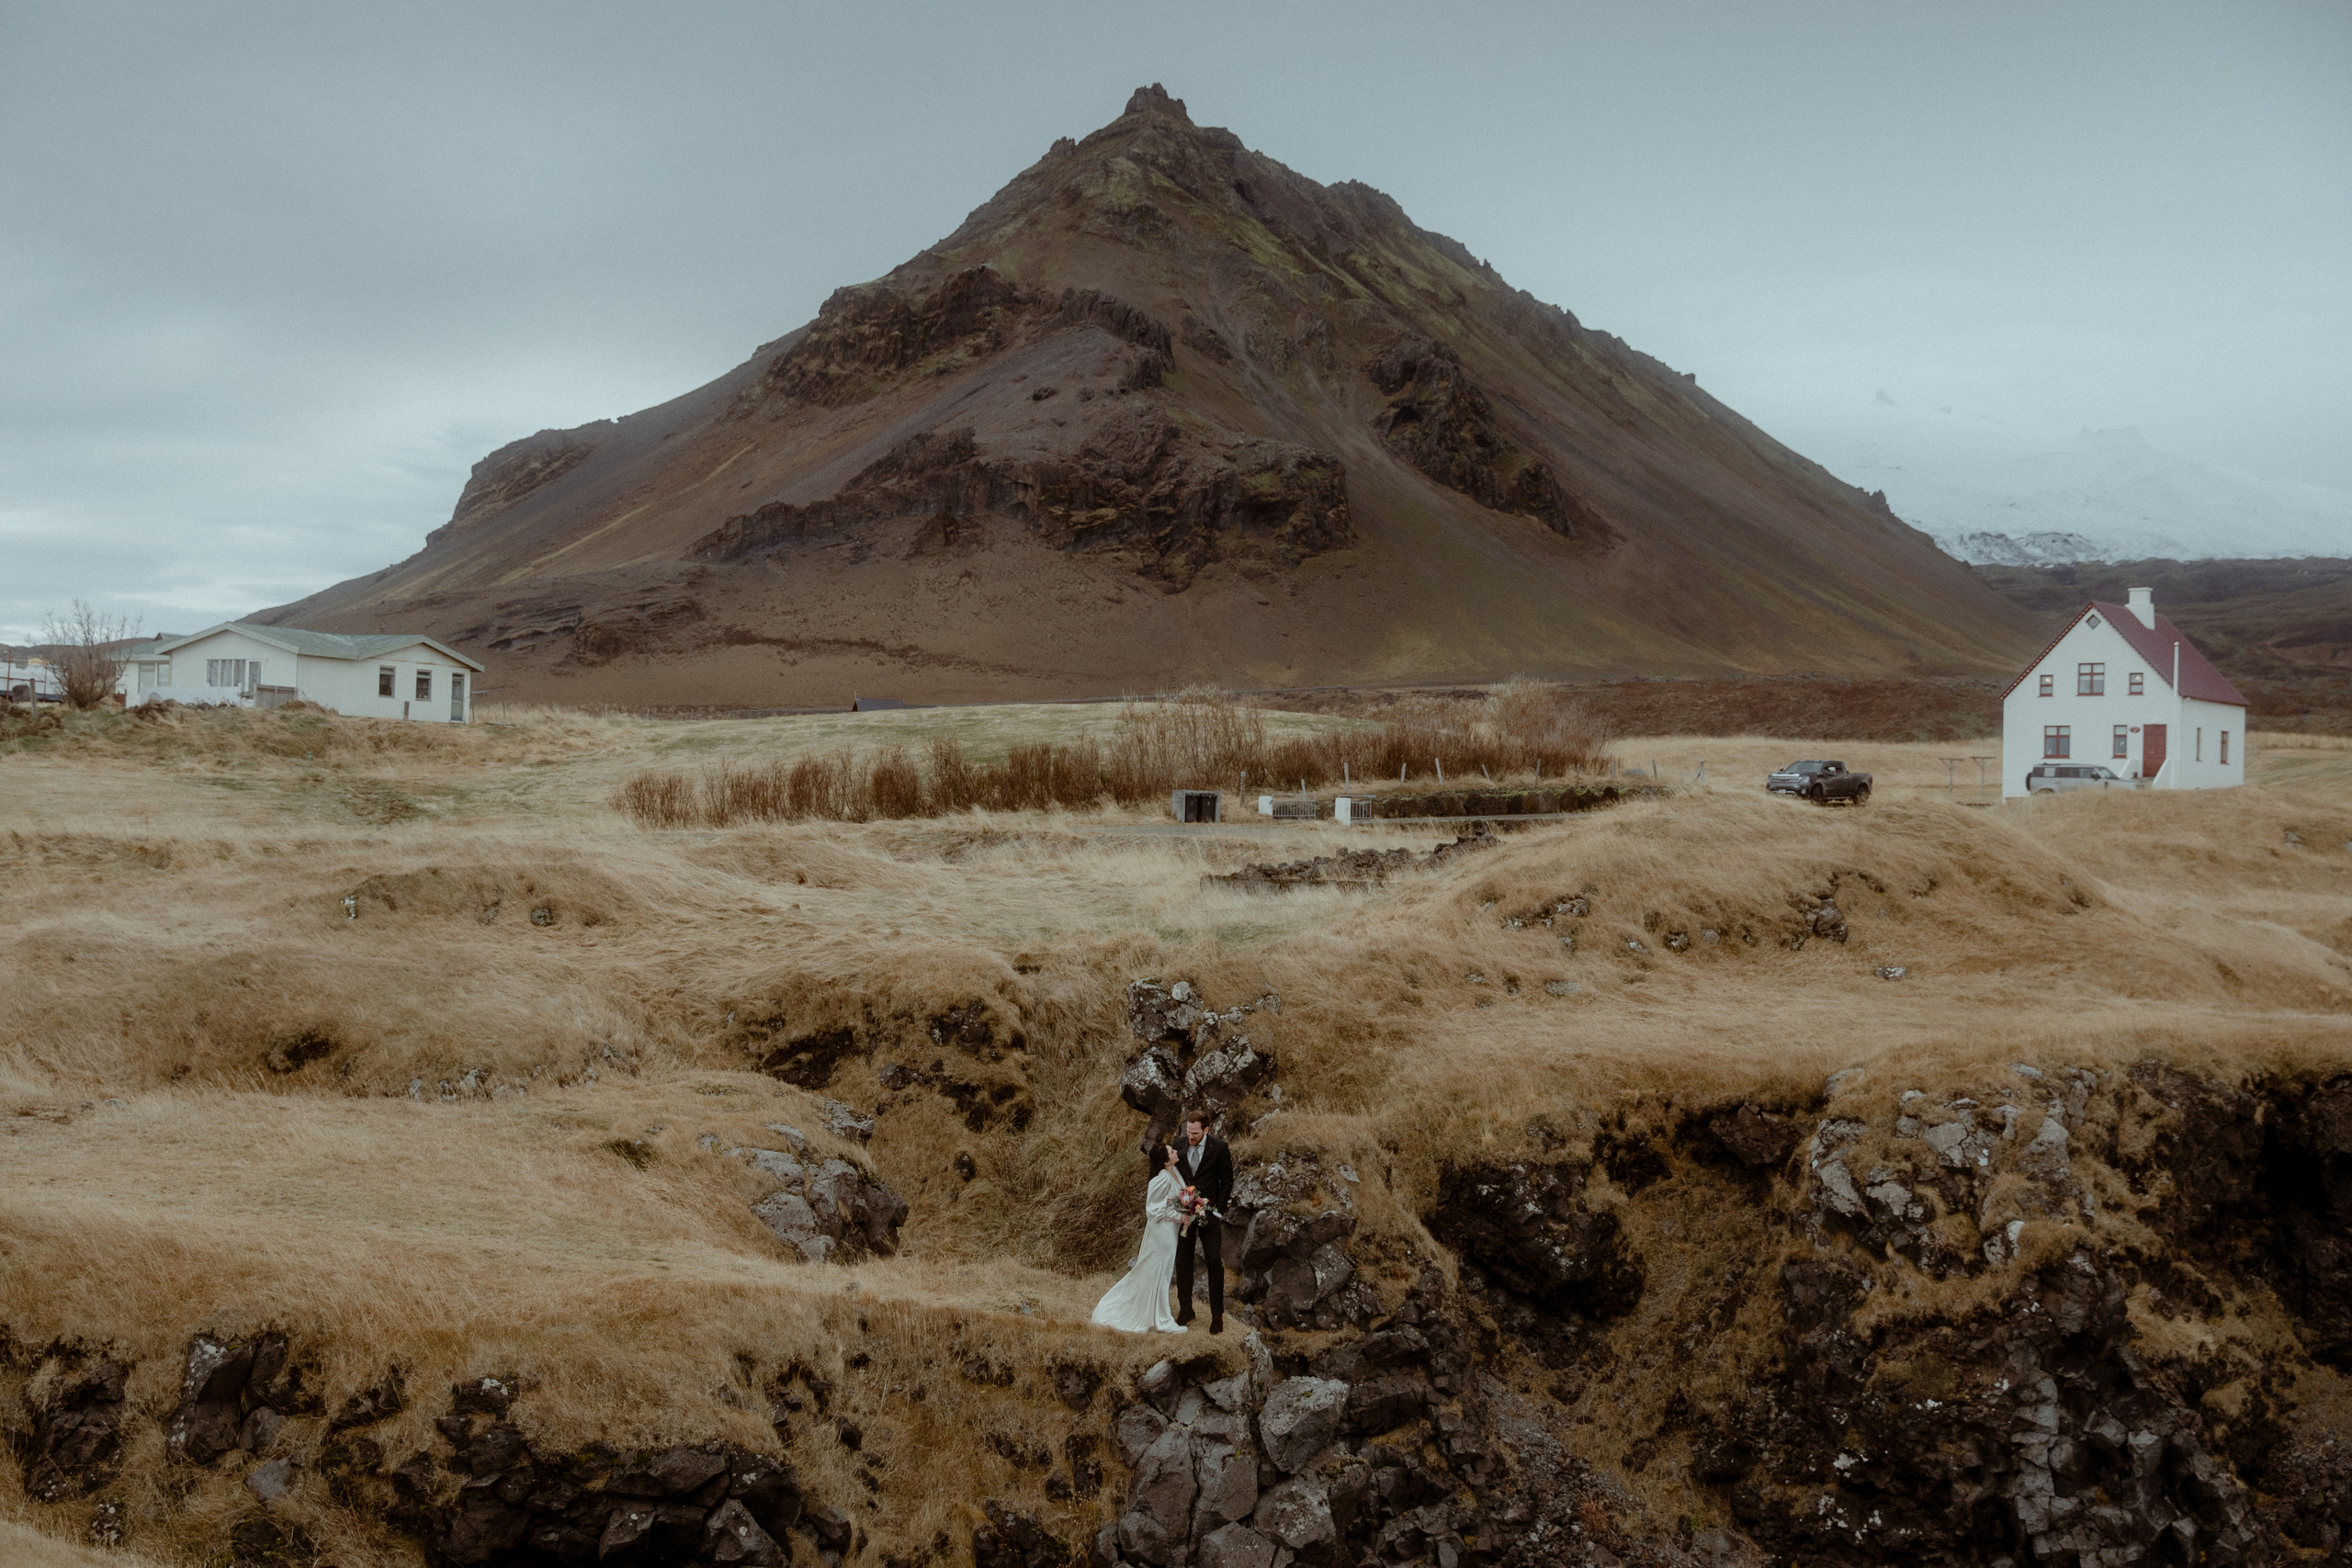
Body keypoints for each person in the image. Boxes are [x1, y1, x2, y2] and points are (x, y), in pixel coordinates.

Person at [1090, 1144, 1189, 1334]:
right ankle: (1162, 1319)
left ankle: (1157, 1314)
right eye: (1172, 1151)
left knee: (1163, 1272)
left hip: (1171, 1229)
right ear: (1166, 1161)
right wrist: (1179, 1216)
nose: (1176, 1151)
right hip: (1163, 1232)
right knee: (1160, 1271)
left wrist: (1191, 1209)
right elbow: (1153, 1209)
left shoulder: (1175, 1171)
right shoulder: (1161, 1179)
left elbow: (1178, 1199)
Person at [1173, 1110, 1234, 1334]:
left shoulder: (1219, 1148)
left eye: (1195, 1133)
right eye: (1188, 1132)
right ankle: (1186, 1310)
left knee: (1214, 1262)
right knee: (1183, 1261)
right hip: (1185, 1214)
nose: (1190, 1136)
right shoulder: (1178, 1144)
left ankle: (1217, 1316)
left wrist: (1218, 1211)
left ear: (1206, 1130)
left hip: (1209, 1214)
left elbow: (1227, 1181)